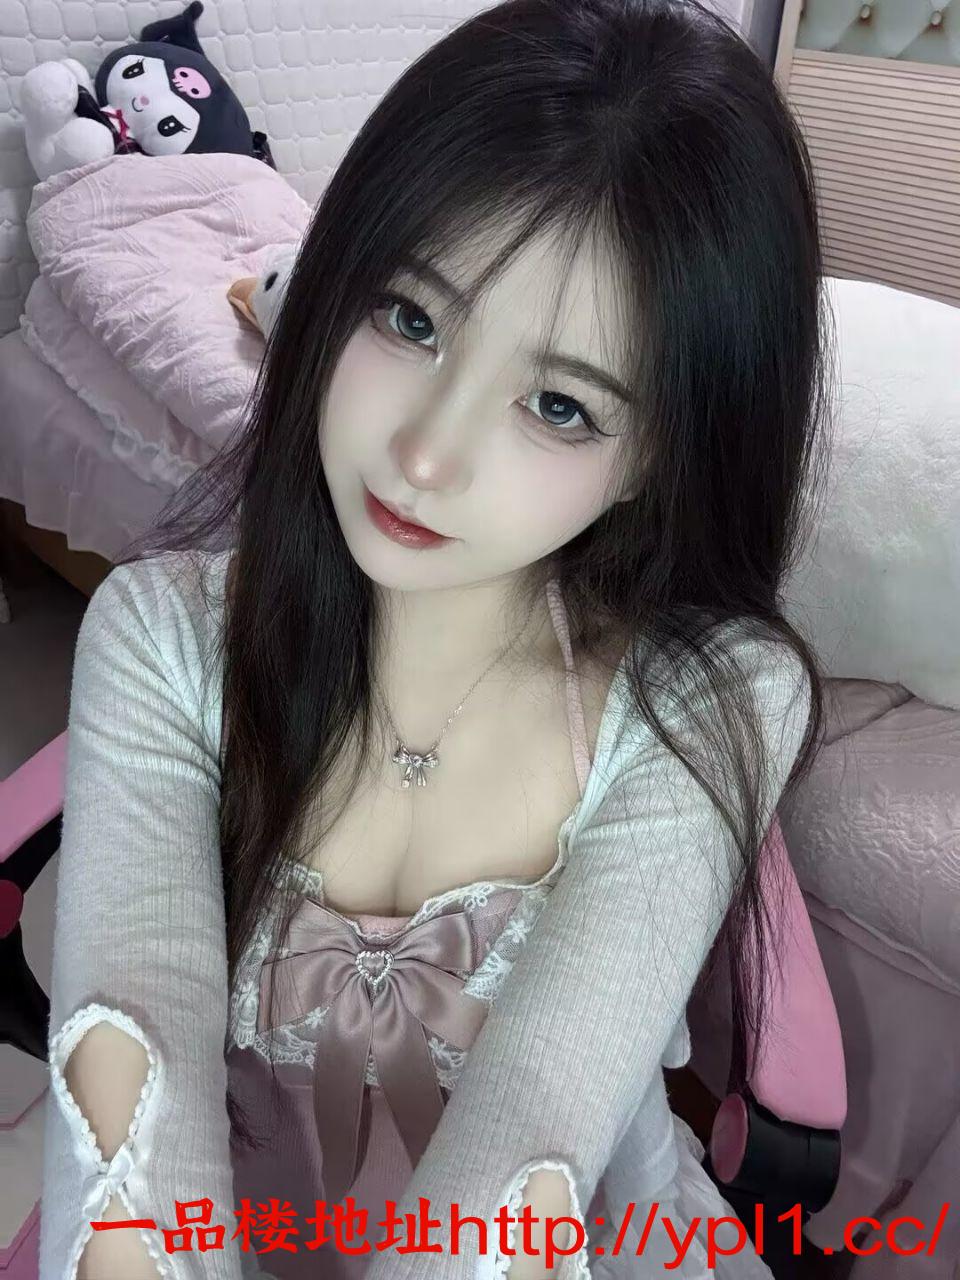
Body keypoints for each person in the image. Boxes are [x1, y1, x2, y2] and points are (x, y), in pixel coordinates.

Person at [39, 0, 832, 1276]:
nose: (426, 453)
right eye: (410, 318)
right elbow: (132, 1074)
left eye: (560, 405)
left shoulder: (709, 698)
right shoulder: (165, 637)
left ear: (657, 458)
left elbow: (531, 1147)